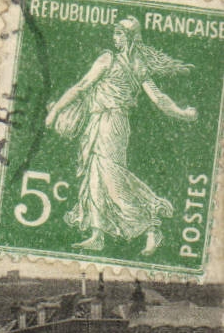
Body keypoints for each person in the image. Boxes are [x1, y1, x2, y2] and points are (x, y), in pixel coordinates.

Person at [46, 16, 198, 255]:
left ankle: (151, 229)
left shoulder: (135, 65)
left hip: (114, 124)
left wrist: (182, 113)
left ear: (130, 37)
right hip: (97, 122)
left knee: (113, 180)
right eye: (114, 33)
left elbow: (158, 98)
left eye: (119, 34)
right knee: (94, 177)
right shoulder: (109, 59)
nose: (114, 38)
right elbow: (82, 85)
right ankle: (97, 234)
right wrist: (56, 109)